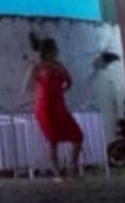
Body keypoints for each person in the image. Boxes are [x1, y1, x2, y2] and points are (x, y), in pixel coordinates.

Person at [27, 34, 85, 177]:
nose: (57, 50)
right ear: (49, 51)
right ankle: (57, 172)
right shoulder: (39, 66)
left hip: (59, 105)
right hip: (45, 107)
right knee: (53, 140)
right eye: (55, 48)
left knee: (77, 135)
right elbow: (28, 85)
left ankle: (72, 166)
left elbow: (69, 82)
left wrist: (60, 91)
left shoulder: (59, 66)